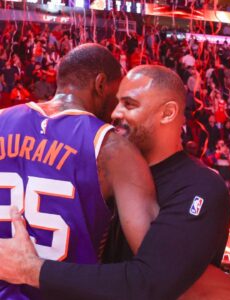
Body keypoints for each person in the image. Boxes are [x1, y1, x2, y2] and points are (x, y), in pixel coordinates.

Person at [0, 65, 230, 300]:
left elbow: (158, 281)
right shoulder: (101, 163)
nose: (114, 112)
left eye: (129, 104)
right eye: (117, 101)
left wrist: (31, 270)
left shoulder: (198, 186)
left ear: (167, 113)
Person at [0, 44, 158, 299]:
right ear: (101, 84)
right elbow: (156, 266)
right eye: (117, 95)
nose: (117, 111)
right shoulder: (113, 149)